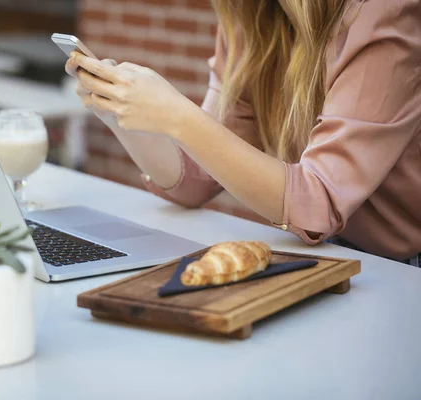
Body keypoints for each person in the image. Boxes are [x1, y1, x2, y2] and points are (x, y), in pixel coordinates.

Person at [65, 0, 421, 265]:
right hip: (329, 258)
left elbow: (319, 203)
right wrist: (114, 108)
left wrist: (178, 116)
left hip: (403, 270)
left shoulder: (383, 13)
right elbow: (193, 180)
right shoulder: (250, 13)